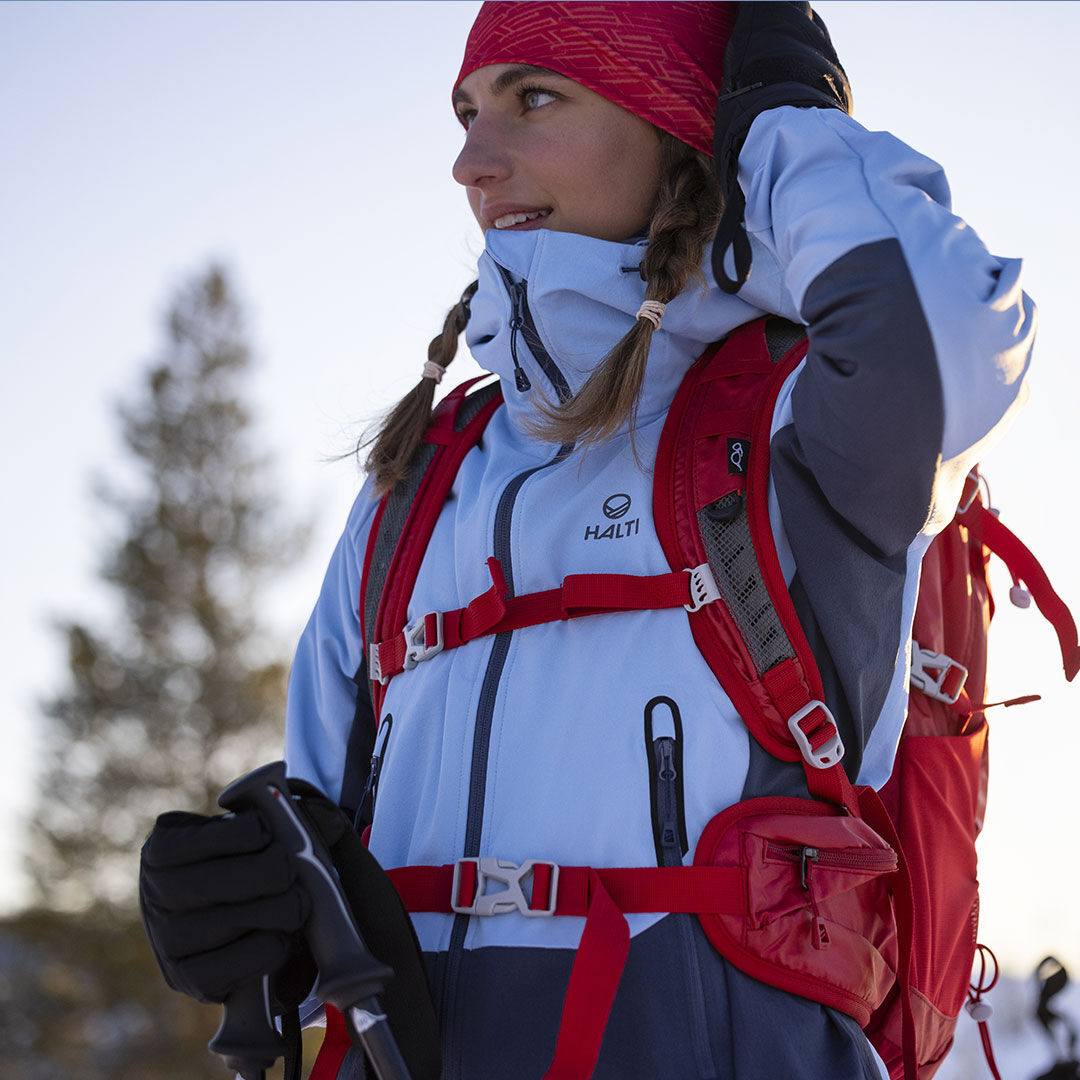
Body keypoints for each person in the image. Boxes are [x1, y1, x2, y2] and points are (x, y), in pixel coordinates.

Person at [139, 4, 1035, 1079]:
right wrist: (238, 899)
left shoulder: (794, 430)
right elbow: (334, 824)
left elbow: (940, 334)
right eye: (468, 111)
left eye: (535, 99)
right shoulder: (421, 477)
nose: (472, 161)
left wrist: (786, 136)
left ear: (678, 128)